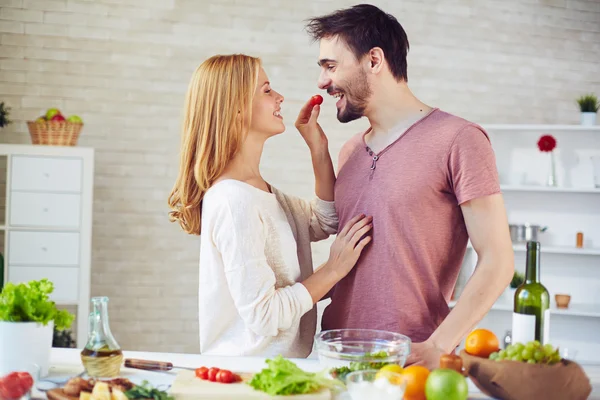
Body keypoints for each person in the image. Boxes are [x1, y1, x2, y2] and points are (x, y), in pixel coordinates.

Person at [304, 4, 514, 369]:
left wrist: (439, 345)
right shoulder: (350, 151)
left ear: (374, 60)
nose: (322, 82)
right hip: (335, 356)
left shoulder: (460, 140)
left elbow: (498, 261)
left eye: (330, 66)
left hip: (409, 362)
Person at [167, 54, 372, 358]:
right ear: (235, 107)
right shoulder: (232, 200)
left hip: (279, 372)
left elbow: (324, 221)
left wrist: (318, 148)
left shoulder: (262, 193)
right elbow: (265, 316)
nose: (280, 97)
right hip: (249, 380)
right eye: (266, 90)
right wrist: (333, 270)